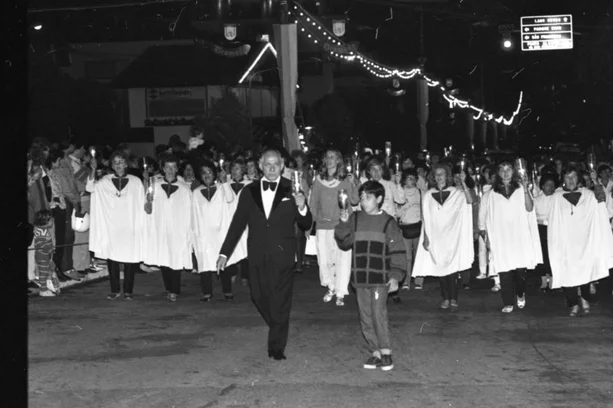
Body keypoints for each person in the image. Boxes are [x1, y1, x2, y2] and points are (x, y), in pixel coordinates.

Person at [216, 149, 312, 361]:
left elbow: (306, 224)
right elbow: (238, 224)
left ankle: (276, 346)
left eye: (275, 164)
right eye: (267, 164)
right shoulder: (249, 191)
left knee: (281, 300)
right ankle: (278, 324)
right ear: (260, 165)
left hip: (283, 254)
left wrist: (302, 206)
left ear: (282, 166)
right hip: (257, 253)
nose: (271, 168)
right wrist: (224, 253)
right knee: (257, 295)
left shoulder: (292, 189)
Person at [334, 180, 406, 371]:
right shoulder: (355, 218)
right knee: (365, 316)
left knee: (377, 314)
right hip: (360, 278)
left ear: (379, 199)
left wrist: (395, 275)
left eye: (368, 198)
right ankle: (374, 352)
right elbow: (344, 243)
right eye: (362, 197)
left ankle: (386, 352)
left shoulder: (388, 222)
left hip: (380, 279)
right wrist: (342, 223)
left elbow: (398, 250)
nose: (363, 201)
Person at [547, 165, 613, 316]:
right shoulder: (556, 198)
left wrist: (596, 181)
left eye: (574, 176)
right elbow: (553, 222)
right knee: (567, 272)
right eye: (567, 177)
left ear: (579, 178)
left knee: (584, 271)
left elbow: (602, 204)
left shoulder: (588, 195)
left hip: (584, 241)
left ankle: (584, 298)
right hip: (566, 242)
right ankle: (573, 303)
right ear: (562, 179)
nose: (570, 180)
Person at [479, 161, 542, 313]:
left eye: (508, 169)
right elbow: (482, 216)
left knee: (520, 273)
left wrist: (526, 189)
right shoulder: (490, 194)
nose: (506, 172)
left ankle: (520, 293)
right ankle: (508, 302)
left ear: (514, 172)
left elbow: (529, 208)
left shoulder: (521, 189)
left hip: (518, 236)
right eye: (502, 169)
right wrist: (485, 236)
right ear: (498, 173)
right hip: (501, 238)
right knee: (504, 271)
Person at [412, 164, 475, 311]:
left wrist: (464, 182)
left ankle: (453, 298)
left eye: (442, 174)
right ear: (433, 177)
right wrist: (426, 237)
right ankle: (445, 298)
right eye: (437, 174)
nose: (439, 176)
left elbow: (470, 201)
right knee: (440, 269)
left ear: (447, 176)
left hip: (452, 237)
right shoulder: (428, 195)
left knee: (452, 269)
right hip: (436, 237)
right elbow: (425, 217)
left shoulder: (455, 192)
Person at [87, 151, 146, 300]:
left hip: (130, 226)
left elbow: (142, 202)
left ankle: (128, 290)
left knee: (130, 259)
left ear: (126, 164)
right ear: (112, 165)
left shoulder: (135, 181)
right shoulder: (105, 181)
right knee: (112, 259)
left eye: (121, 162)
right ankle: (114, 289)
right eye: (115, 162)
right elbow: (89, 188)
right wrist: (93, 170)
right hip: (112, 227)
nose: (118, 165)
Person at [309, 149, 360, 306]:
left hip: (341, 226)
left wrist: (354, 184)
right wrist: (314, 222)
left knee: (342, 260)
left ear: (338, 160)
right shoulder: (318, 180)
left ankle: (340, 292)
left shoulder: (345, 180)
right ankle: (331, 287)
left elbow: (354, 201)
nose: (329, 159)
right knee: (324, 260)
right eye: (327, 157)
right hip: (323, 227)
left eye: (333, 157)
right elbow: (313, 204)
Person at [142, 154, 193, 302]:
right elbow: (147, 210)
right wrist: (148, 204)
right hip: (162, 228)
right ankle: (168, 287)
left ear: (177, 169)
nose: (170, 170)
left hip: (177, 229)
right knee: (164, 258)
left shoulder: (184, 189)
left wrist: (187, 231)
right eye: (167, 167)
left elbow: (189, 212)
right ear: (163, 169)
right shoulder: (155, 187)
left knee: (175, 259)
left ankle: (174, 289)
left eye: (173, 167)